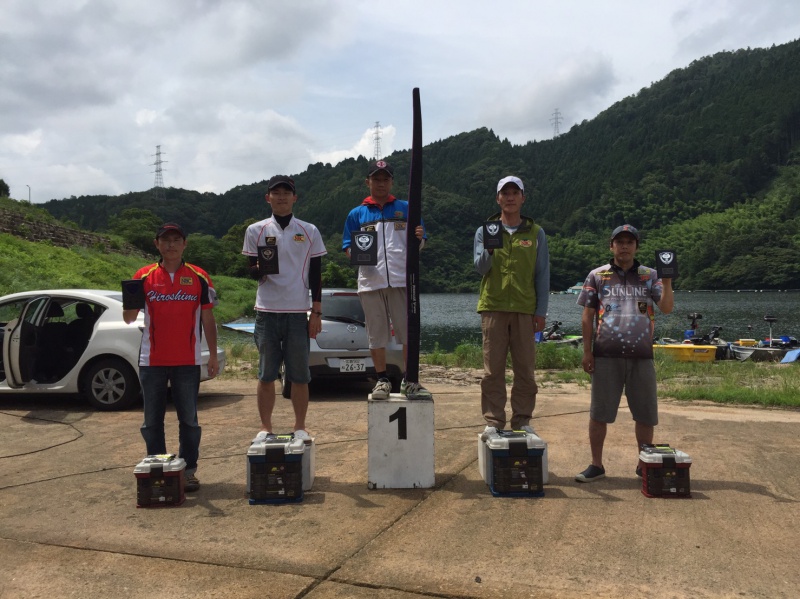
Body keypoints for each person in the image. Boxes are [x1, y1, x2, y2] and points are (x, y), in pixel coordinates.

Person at [123, 223, 219, 493]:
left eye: (176, 240)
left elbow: (208, 318)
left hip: (187, 361)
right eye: (166, 241)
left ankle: (188, 471)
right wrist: (129, 303)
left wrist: (211, 354)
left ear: (185, 244)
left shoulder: (199, 276)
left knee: (189, 420)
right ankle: (159, 467)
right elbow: (129, 318)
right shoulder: (143, 276)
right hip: (151, 361)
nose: (171, 245)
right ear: (156, 244)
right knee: (152, 422)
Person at [574, 224, 675, 482]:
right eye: (619, 242)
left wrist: (667, 280)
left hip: (642, 355)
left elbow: (666, 308)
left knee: (645, 413)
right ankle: (596, 465)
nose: (625, 246)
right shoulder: (597, 275)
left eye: (630, 242)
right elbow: (587, 317)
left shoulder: (650, 275)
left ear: (636, 247)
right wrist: (587, 352)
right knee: (599, 413)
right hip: (606, 354)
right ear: (611, 246)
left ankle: (645, 463)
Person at [242, 175, 326, 443]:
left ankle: (300, 426)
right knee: (266, 374)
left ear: (294, 198)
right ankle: (266, 427)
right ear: (268, 197)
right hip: (266, 311)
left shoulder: (309, 230)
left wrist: (316, 311)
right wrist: (260, 270)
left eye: (286, 192)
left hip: (297, 312)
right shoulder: (255, 230)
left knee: (299, 375)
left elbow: (316, 273)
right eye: (275, 192)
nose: (281, 197)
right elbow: (251, 270)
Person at [342, 160, 430, 400]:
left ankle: (410, 380)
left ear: (391, 182)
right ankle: (381, 380)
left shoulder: (407, 208)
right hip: (370, 282)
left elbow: (420, 241)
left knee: (407, 333)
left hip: (403, 281)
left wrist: (420, 237)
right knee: (376, 334)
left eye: (385, 179)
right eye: (376, 179)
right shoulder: (357, 213)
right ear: (367, 182)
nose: (381, 183)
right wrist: (355, 254)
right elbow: (348, 245)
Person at [474, 176, 550, 434]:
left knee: (525, 371)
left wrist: (541, 311)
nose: (509, 197)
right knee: (492, 370)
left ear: (522, 198)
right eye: (504, 193)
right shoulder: (485, 231)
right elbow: (480, 268)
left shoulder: (536, 232)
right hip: (493, 307)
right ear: (497, 198)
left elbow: (542, 274)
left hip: (524, 309)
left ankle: (522, 420)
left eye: (514, 193)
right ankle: (494, 421)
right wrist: (490, 249)